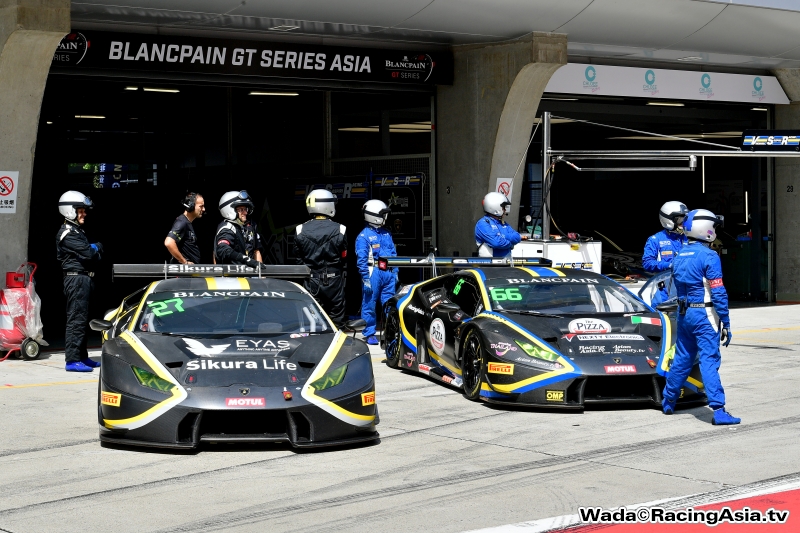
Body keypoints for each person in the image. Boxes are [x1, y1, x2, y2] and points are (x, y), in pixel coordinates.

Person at [661, 209, 739, 425]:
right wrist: (726, 322)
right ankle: (719, 410)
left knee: (682, 358)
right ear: (706, 229)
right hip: (705, 315)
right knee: (709, 360)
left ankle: (668, 401)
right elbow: (718, 292)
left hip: (684, 314)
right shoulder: (709, 256)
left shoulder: (679, 255)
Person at [56, 191, 103, 372]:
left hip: (84, 278)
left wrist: (94, 248)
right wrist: (94, 248)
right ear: (70, 210)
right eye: (80, 210)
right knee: (76, 319)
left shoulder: (77, 231)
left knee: (82, 319)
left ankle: (82, 356)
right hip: (76, 279)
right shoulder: (67, 233)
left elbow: (95, 250)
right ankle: (72, 360)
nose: (84, 214)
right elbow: (90, 253)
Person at [294, 189, 348, 326]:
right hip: (334, 281)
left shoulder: (300, 229)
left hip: (311, 281)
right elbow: (344, 257)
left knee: (312, 321)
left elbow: (299, 260)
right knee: (337, 321)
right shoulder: (341, 229)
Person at [356, 200, 398, 345]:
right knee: (369, 304)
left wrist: (396, 271)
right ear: (374, 215)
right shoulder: (363, 236)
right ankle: (369, 333)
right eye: (383, 214)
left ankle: (391, 332)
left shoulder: (386, 233)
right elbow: (361, 259)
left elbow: (393, 253)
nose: (385, 217)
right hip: (373, 272)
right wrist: (365, 278)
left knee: (390, 304)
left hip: (388, 272)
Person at [214, 190, 265, 268]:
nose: (245, 213)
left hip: (247, 273)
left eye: (245, 209)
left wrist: (261, 272)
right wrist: (245, 259)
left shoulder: (249, 226)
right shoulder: (227, 228)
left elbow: (256, 251)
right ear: (229, 210)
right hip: (231, 274)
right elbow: (222, 249)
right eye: (241, 210)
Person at [643, 201, 688, 273]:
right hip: (665, 278)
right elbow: (647, 263)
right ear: (667, 220)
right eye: (679, 220)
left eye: (685, 219)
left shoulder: (690, 238)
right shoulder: (655, 240)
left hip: (688, 278)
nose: (683, 223)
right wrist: (669, 265)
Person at [475, 192, 522, 258]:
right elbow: (496, 243)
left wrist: (503, 236)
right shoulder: (483, 224)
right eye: (503, 208)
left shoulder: (503, 224)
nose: (505, 210)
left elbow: (517, 237)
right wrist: (510, 244)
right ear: (495, 207)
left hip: (506, 262)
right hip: (490, 263)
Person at [165, 192, 205, 265]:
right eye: (201, 206)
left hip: (190, 270)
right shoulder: (182, 222)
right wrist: (184, 262)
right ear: (191, 206)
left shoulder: (187, 222)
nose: (204, 209)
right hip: (185, 271)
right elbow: (169, 242)